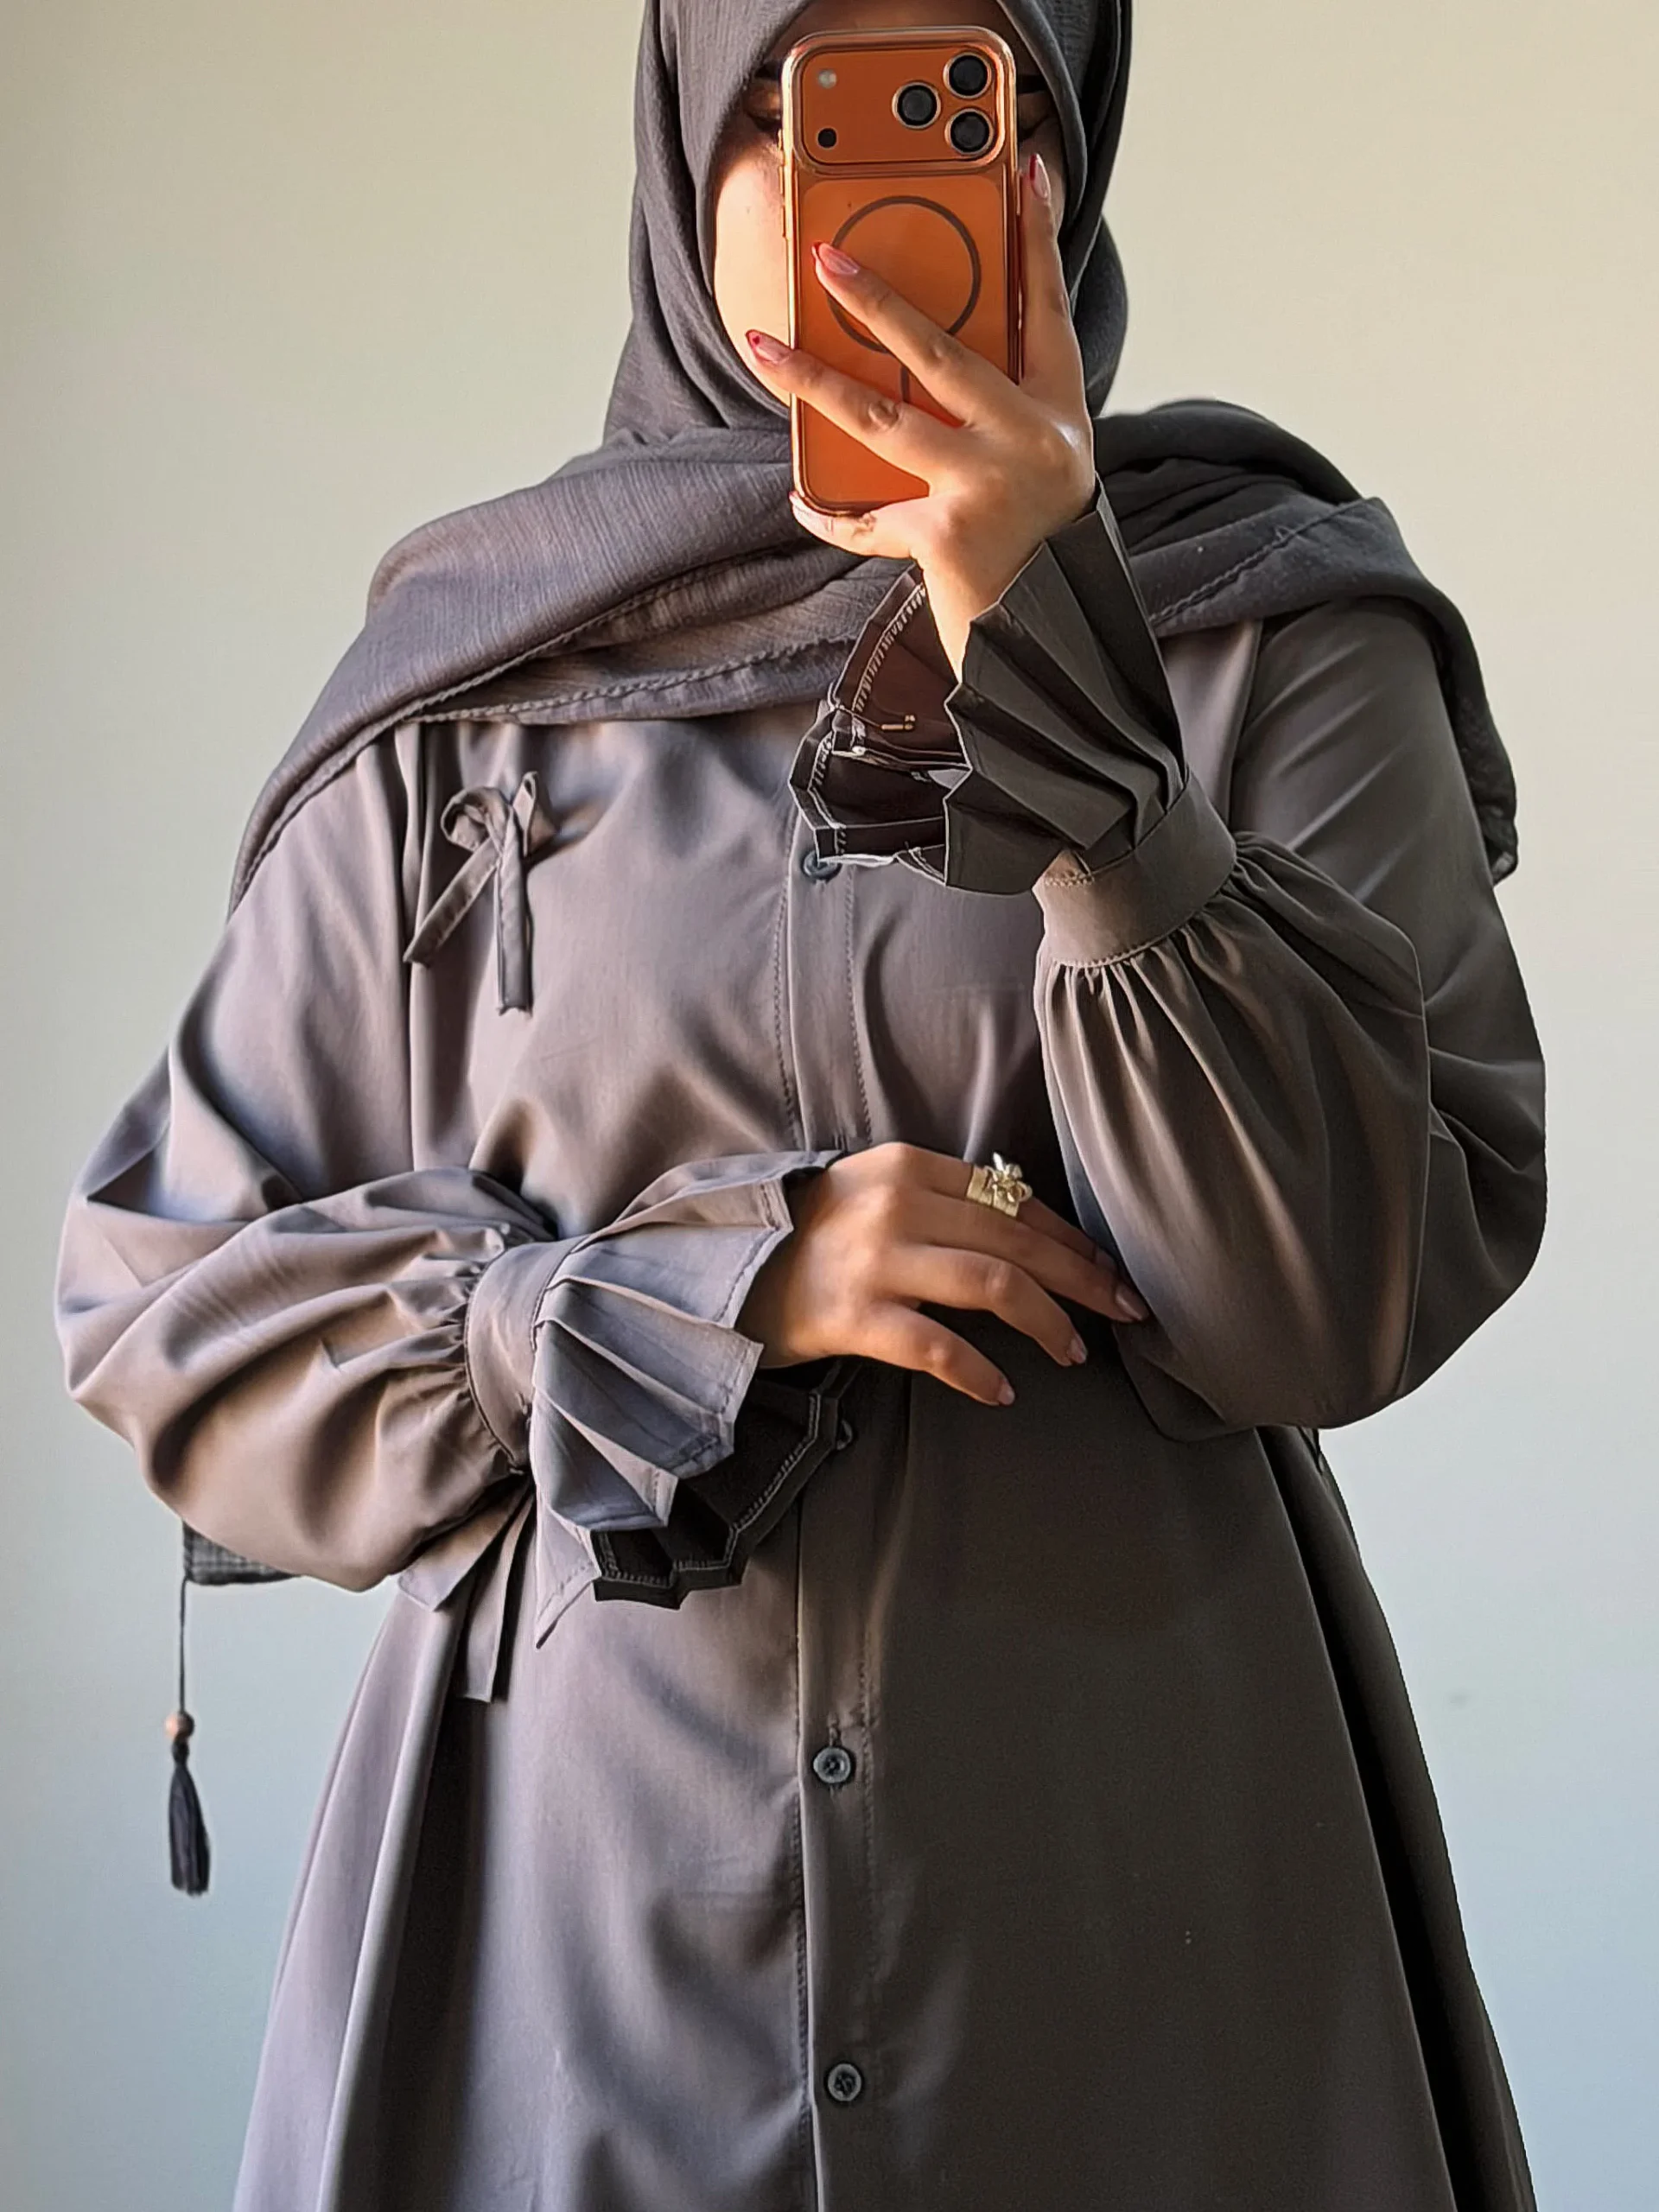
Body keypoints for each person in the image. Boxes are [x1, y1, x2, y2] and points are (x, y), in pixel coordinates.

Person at [54, 0, 1547, 2205]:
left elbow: (1329, 1295)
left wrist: (1073, 692)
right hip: (563, 1957)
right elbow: (160, 1307)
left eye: (970, 103)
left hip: (1138, 1927)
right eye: (797, 105)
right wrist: (663, 1295)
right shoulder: (479, 693)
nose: (868, 203)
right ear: (681, 159)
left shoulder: (1282, 629)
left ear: (1065, 156)